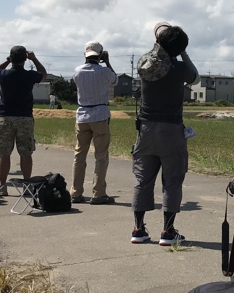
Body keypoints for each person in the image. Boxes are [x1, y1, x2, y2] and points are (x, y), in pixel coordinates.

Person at [130, 24, 199, 245]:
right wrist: (183, 53)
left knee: (142, 180)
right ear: (179, 50)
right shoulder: (179, 70)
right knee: (172, 181)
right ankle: (167, 232)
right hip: (171, 130)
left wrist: (159, 41)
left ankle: (138, 229)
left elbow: (154, 54)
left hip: (146, 129)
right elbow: (195, 77)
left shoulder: (145, 63)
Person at [0, 46, 46, 197]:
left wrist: (7, 61)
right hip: (24, 117)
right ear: (24, 59)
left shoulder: (3, 74)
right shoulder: (29, 75)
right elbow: (43, 74)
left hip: (5, 116)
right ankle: (27, 186)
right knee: (26, 152)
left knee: (4, 153)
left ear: (11, 58)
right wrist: (34, 58)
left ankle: (2, 185)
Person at [71, 41, 118, 205]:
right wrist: (108, 61)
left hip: (82, 114)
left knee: (79, 155)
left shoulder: (78, 71)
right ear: (100, 55)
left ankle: (76, 192)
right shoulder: (104, 71)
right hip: (100, 114)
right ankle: (98, 193)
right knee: (101, 156)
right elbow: (115, 80)